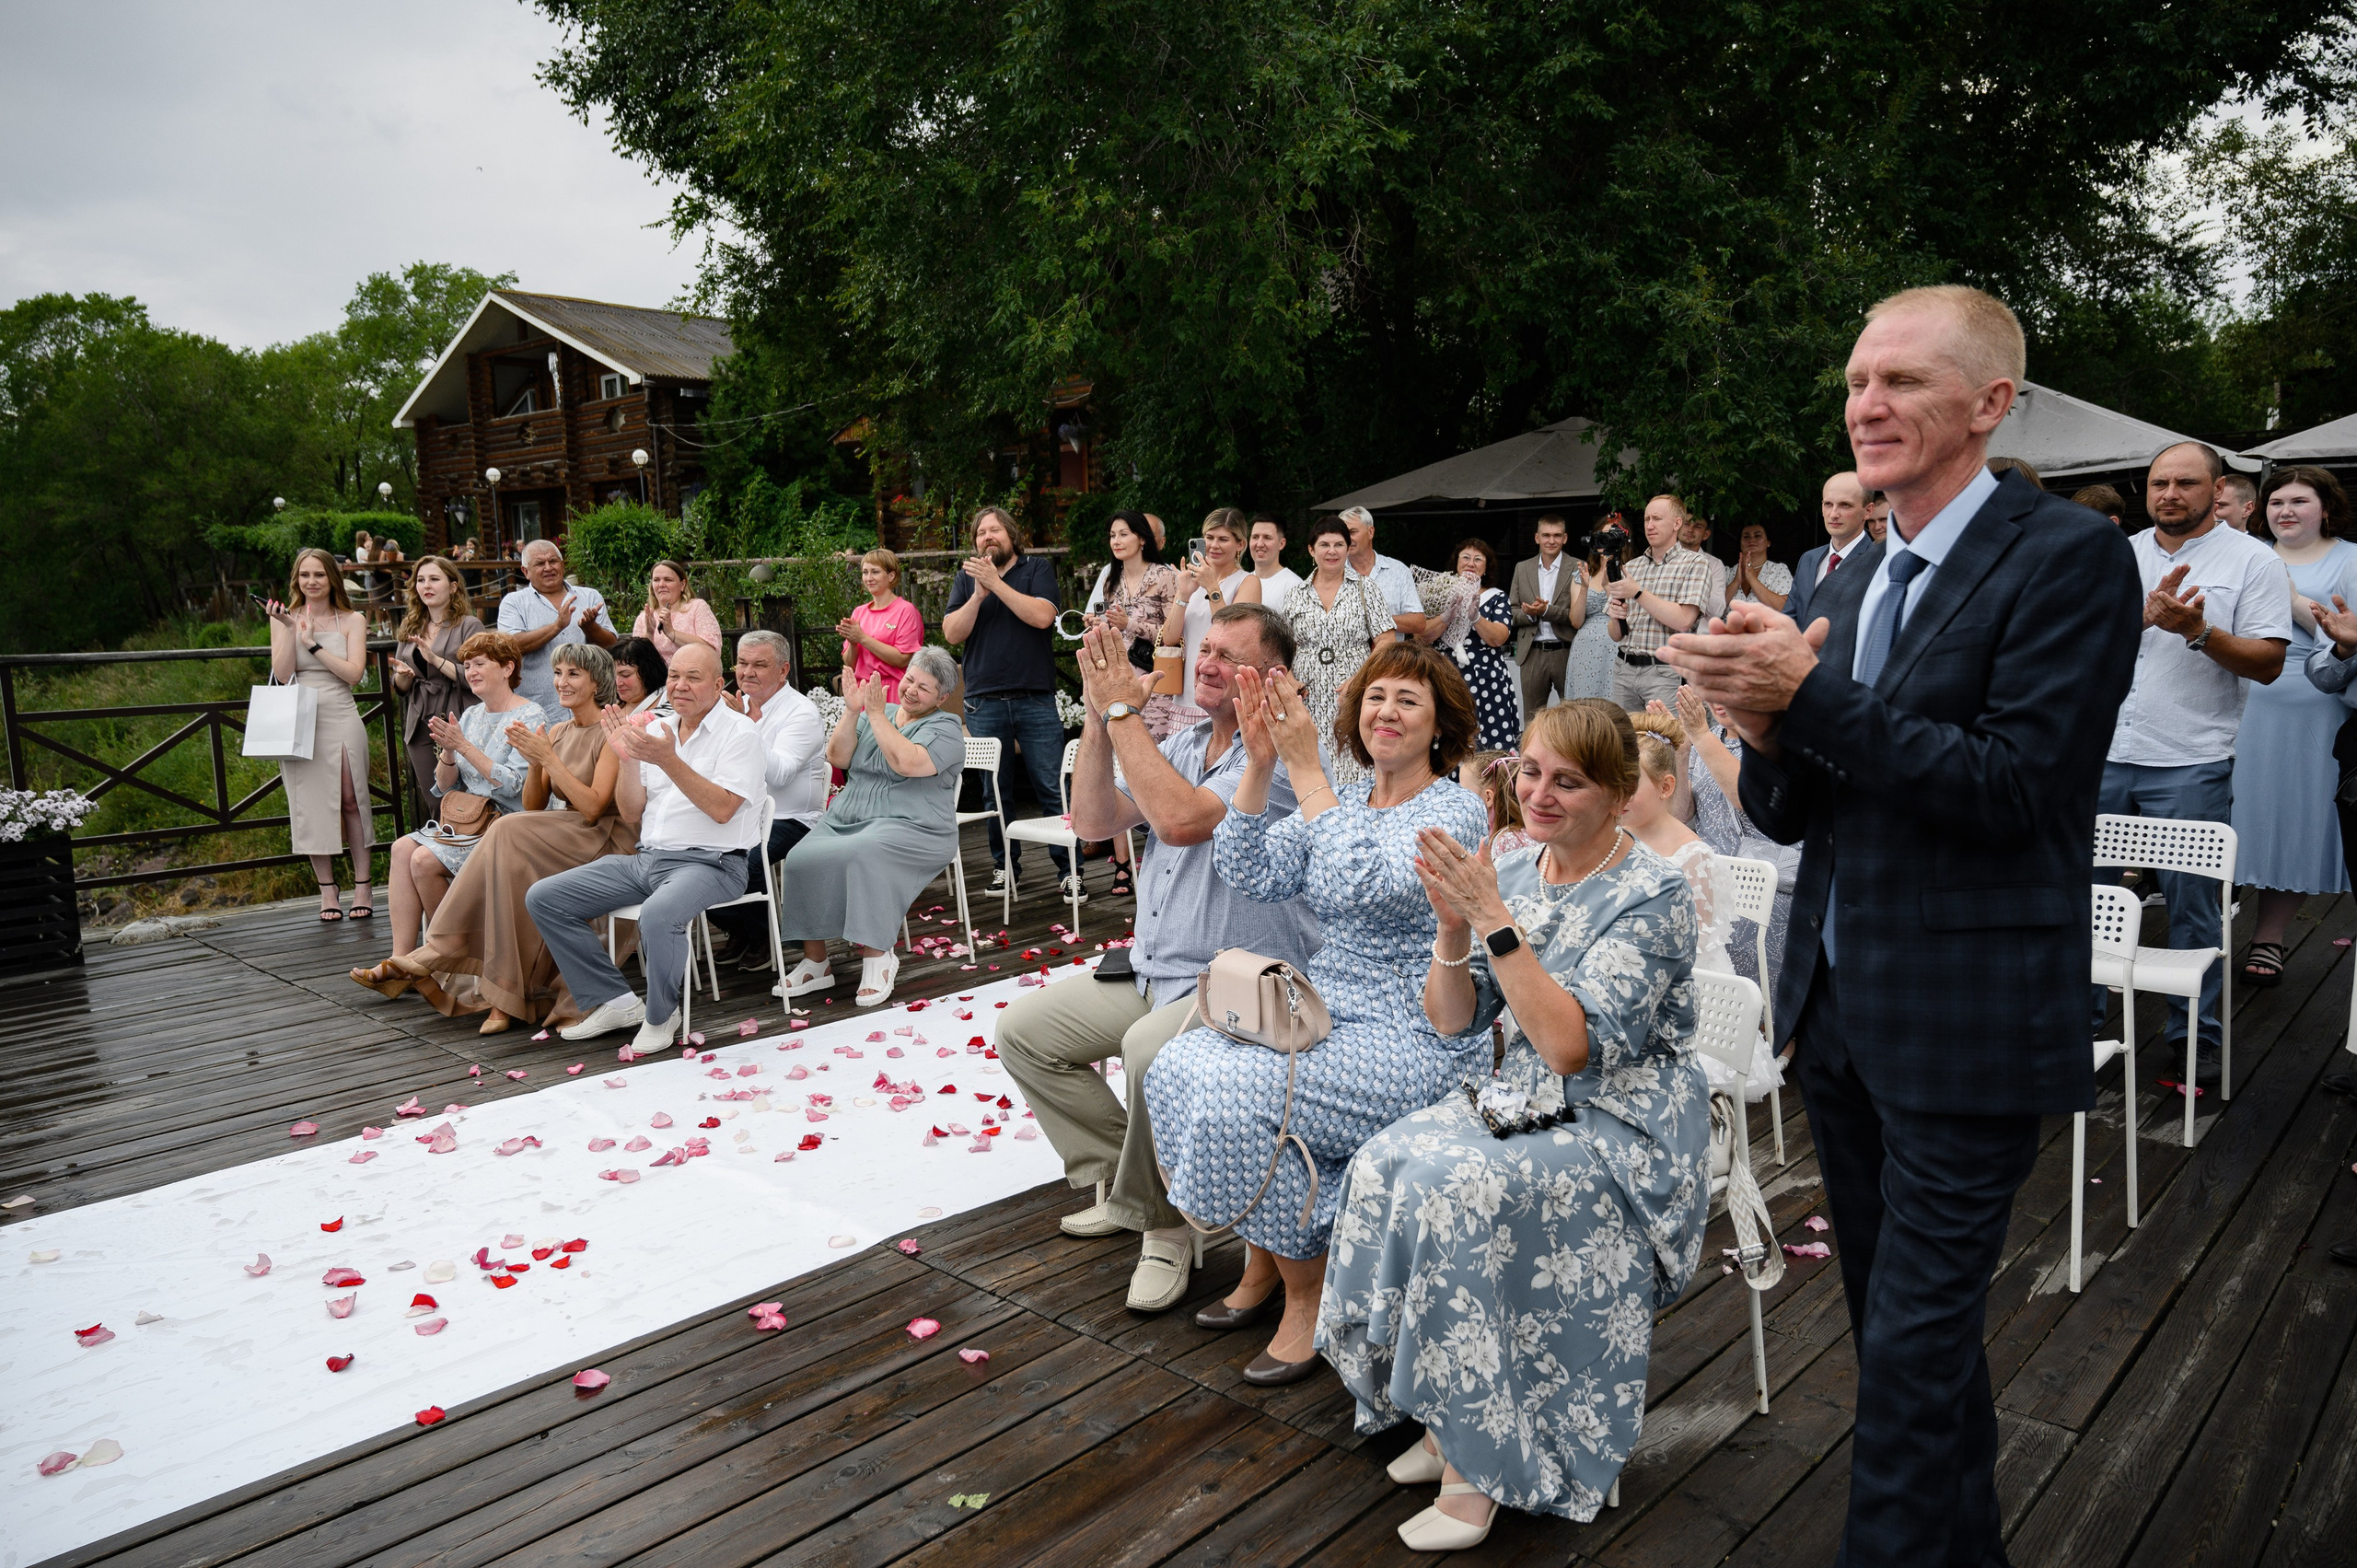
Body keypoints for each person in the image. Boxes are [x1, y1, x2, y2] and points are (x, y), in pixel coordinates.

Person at [1657, 284, 2143, 1563]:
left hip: (1969, 1022)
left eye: (1904, 382)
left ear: (1990, 404)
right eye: (1859, 380)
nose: (1868, 404)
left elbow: (2016, 789)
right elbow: (1793, 801)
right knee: (1900, 1344)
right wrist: (1765, 722)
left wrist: (1810, 694)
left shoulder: (2070, 556)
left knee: (1912, 1363)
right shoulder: (1853, 566)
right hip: (1841, 1013)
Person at [1324, 699, 1708, 1545]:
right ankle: (1437, 1414)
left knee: (1452, 1187)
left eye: (1567, 781)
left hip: (1624, 1126)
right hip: (1527, 1102)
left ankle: (1482, 1471)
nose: (1539, 793)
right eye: (1530, 771)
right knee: (1386, 1157)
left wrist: (1494, 920)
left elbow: (1572, 1047)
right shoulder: (1523, 871)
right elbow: (1454, 1019)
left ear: (1615, 794)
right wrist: (1454, 928)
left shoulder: (1654, 893)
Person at [1144, 642, 1490, 1383]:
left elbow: (1367, 884)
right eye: (1375, 697)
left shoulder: (1454, 809)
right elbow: (1249, 869)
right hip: (1326, 1010)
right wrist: (1263, 764)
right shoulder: (1348, 797)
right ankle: (1264, 1256)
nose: (1386, 712)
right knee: (1175, 1065)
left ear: (1440, 727)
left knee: (1247, 1097)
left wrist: (1307, 773)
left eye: (1407, 700)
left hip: (1413, 1030)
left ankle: (1310, 1293)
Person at [996, 607, 1321, 1313]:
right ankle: (1127, 1183)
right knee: (1024, 1032)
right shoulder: (1185, 741)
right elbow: (1092, 822)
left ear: (1271, 679)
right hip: (1152, 969)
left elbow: (1179, 820)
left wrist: (1122, 711)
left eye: (1226, 655)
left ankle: (1169, 1228)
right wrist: (1096, 717)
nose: (1204, 662)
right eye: (1205, 649)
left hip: (1236, 985)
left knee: (1147, 1051)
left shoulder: (1284, 761)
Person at [2100, 439, 2291, 1067]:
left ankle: (2193, 1043)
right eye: (2159, 484)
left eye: (2185, 483)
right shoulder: (2118, 556)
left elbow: (2267, 662)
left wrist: (2197, 631)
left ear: (2217, 491)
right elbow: (2077, 649)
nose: (2170, 495)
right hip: (2101, 755)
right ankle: (2082, 1033)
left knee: (2192, 908)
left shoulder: (2252, 561)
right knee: (2085, 898)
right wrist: (2139, 620)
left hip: (2189, 759)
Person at [355, 644, 633, 1033]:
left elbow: (592, 807)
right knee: (506, 867)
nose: (561, 682)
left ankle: (446, 947)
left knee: (505, 830)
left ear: (596, 681)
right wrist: (538, 761)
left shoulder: (609, 731)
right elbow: (534, 804)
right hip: (560, 831)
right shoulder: (556, 729)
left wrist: (547, 758)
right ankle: (500, 996)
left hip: (603, 835)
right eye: (558, 673)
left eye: (573, 674)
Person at [527, 640, 770, 1052]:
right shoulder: (656, 727)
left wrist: (668, 760)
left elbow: (724, 810)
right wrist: (626, 759)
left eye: (694, 677)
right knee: (545, 897)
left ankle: (662, 1015)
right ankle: (616, 1001)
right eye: (675, 676)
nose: (680, 686)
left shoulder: (740, 733)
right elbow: (631, 811)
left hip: (713, 865)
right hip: (648, 860)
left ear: (717, 684)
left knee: (658, 914)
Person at [775, 645, 969, 1007]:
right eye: (910, 679)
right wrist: (853, 711)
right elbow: (838, 757)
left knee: (867, 854)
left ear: (942, 697)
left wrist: (875, 714)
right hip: (849, 816)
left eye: (923, 688)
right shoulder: (878, 713)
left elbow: (907, 763)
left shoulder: (946, 728)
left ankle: (878, 956)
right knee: (800, 856)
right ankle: (817, 961)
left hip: (914, 824)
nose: (911, 689)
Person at [2231, 466, 2357, 986]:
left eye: (2299, 501)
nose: (2285, 510)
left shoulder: (2350, 559)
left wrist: (2292, 601)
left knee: (2290, 821)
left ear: (2326, 508)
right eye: (2277, 501)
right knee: (2232, 811)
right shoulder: (2245, 553)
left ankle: (2270, 937)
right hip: (2236, 701)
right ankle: (2206, 926)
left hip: (2312, 706)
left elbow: (2347, 645)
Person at [1625, 708, 1782, 1098]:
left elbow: (1701, 945)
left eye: (1631, 785)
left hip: (1689, 991)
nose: (1619, 795)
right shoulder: (1619, 838)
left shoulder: (1693, 856)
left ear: (1664, 788)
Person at [943, 506, 1078, 900]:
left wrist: (996, 586)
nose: (988, 537)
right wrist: (978, 594)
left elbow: (1041, 617)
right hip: (984, 701)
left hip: (1034, 697)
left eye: (995, 530)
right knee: (994, 792)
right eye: (981, 532)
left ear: (1011, 535)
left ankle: (1069, 871)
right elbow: (952, 633)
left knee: (1052, 788)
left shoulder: (1036, 570)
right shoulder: (966, 580)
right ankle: (1006, 868)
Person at [380, 631, 542, 958]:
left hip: (510, 826)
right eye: (467, 665)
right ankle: (400, 960)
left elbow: (514, 787)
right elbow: (444, 786)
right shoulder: (470, 715)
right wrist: (450, 754)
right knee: (401, 849)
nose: (471, 672)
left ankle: (451, 953)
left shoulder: (530, 716)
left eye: (480, 663)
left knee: (425, 861)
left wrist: (463, 745)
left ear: (508, 668)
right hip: (471, 822)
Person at [689, 629, 830, 973]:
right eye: (741, 663)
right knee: (687, 854)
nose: (747, 672)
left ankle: (763, 935)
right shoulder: (726, 705)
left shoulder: (801, 713)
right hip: (739, 813)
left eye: (759, 665)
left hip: (792, 818)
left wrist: (744, 726)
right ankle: (743, 930)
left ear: (783, 671)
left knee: (739, 863)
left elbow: (780, 775)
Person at [263, 548, 376, 923]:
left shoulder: (353, 619)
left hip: (340, 709)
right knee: (311, 804)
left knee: (351, 798)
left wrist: (312, 643)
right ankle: (327, 889)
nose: (311, 582)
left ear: (332, 579)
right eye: (304, 575)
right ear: (296, 579)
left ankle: (363, 884)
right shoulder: (285, 618)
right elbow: (281, 675)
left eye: (319, 575)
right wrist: (287, 629)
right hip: (300, 715)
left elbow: (354, 673)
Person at [1284, 516, 1394, 798]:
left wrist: (1361, 679)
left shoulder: (1365, 588)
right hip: (1308, 698)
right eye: (1324, 544)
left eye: (1338, 544)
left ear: (1348, 549)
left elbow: (1385, 641)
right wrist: (1289, 679)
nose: (1331, 551)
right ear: (1311, 550)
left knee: (1356, 765)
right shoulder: (1295, 594)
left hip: (1353, 694)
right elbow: (1281, 647)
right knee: (1312, 767)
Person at [388, 555, 484, 817]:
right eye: (420, 580)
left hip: (459, 718)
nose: (426, 585)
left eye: (434, 579)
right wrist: (403, 677)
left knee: (466, 800)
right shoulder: (411, 626)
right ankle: (438, 853)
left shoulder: (469, 625)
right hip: (420, 721)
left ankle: (473, 855)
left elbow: (479, 676)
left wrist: (436, 661)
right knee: (434, 801)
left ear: (453, 586)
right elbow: (400, 687)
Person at [1083, 511, 1186, 746]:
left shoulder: (1163, 576)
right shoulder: (1112, 580)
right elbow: (1115, 629)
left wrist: (1129, 624)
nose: (1116, 541)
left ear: (1142, 539)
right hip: (1118, 677)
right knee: (1121, 749)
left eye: (1123, 534)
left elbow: (1172, 634)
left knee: (1154, 751)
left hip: (1154, 679)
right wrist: (1101, 625)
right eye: (1112, 536)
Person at [1604, 494, 1713, 710]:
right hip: (1624, 668)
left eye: (1657, 519)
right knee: (1625, 742)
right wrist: (1616, 618)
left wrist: (1638, 593)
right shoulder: (1632, 567)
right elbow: (1615, 635)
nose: (1650, 525)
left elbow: (1683, 620)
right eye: (1647, 520)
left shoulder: (1695, 563)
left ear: (1677, 523)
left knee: (1666, 742)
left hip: (1665, 673)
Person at [1165, 508, 1267, 727]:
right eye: (1209, 538)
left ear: (1240, 544)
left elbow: (1234, 633)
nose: (1214, 546)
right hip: (1187, 695)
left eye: (1223, 539)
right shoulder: (1191, 583)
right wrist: (1183, 594)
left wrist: (1212, 587)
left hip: (1223, 696)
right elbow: (1169, 638)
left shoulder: (1248, 582)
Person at [498, 539, 618, 713]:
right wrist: (556, 627)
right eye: (539, 563)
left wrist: (590, 628)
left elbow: (611, 645)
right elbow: (511, 645)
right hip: (538, 706)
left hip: (589, 704)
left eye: (553, 561)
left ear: (562, 565)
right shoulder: (514, 602)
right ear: (525, 571)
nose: (548, 568)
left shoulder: (590, 596)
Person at [1443, 538, 1519, 749]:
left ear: (1486, 567)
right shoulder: (1441, 594)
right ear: (1456, 563)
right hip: (1448, 677)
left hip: (1487, 680)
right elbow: (1423, 636)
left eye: (1478, 559)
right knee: (1453, 739)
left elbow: (1499, 638)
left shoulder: (1497, 597)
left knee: (1491, 741)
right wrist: (1444, 617)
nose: (1471, 563)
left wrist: (1476, 618)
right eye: (1465, 557)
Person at [1507, 513, 1583, 714]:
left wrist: (1547, 611)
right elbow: (1512, 613)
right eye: (1546, 535)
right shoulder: (1522, 568)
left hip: (1567, 651)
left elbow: (1580, 615)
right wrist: (1531, 614)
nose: (1551, 541)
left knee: (1574, 717)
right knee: (1532, 718)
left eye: (1557, 535)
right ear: (1537, 537)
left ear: (1565, 538)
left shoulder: (1579, 567)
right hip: (1532, 652)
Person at [836, 548, 923, 703]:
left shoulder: (906, 610)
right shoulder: (859, 612)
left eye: (875, 572)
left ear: (891, 576)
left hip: (893, 691)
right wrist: (853, 643)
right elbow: (850, 664)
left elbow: (902, 659)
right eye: (865, 572)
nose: (869, 578)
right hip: (862, 691)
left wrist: (862, 638)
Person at [1788, 471, 1871, 627]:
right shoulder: (1808, 559)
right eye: (1828, 504)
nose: (1833, 514)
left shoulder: (1879, 561)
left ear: (1868, 511)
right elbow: (1791, 618)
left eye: (1845, 505)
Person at [1339, 505, 1426, 640]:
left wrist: (1377, 619)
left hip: (1389, 659)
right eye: (1342, 534)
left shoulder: (1397, 570)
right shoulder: (1333, 573)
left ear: (1370, 532)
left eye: (1352, 532)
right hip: (1345, 660)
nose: (1347, 539)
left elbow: (1418, 623)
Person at [1569, 516, 1628, 700]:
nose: (1607, 542)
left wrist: (1608, 587)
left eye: (1612, 536)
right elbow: (1576, 621)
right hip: (1585, 648)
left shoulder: (1631, 571)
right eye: (1603, 536)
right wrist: (1585, 587)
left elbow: (1631, 614)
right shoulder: (1583, 573)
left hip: (1617, 644)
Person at [630, 558, 723, 664]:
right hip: (655, 679)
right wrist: (650, 634)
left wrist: (672, 633)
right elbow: (637, 661)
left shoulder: (697, 607)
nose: (661, 585)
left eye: (668, 580)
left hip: (692, 675)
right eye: (656, 580)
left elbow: (711, 650)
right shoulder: (644, 617)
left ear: (682, 585)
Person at [1457, 749, 1529, 857]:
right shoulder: (1517, 833)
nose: (1459, 800)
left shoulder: (1506, 841)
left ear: (1488, 798)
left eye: (1465, 793)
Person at [1678, 507, 1732, 620]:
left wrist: (1696, 583)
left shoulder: (1715, 565)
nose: (1690, 530)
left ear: (1706, 534)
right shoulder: (1663, 557)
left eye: (1697, 526)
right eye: (1686, 524)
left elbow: (1718, 611)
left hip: (1698, 634)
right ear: (1677, 527)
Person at [1729, 522, 1794, 611]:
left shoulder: (1779, 570)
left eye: (1757, 536)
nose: (1751, 540)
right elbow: (1714, 609)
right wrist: (1736, 582)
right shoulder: (1728, 573)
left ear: (1768, 542)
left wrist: (1753, 580)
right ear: (1740, 543)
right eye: (1746, 537)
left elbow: (1785, 607)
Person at [1248, 514, 1303, 611]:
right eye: (1255, 537)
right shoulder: (1243, 581)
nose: (1259, 544)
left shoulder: (1294, 586)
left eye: (1267, 538)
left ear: (1281, 544)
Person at [610, 635, 671, 718]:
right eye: (612, 675)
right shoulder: (609, 704)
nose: (618, 683)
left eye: (625, 675)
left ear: (648, 672)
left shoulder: (670, 699)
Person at [2214, 471, 2260, 535]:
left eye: (2220, 505)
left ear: (2247, 509)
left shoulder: (2256, 545)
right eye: (2210, 505)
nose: (2211, 512)